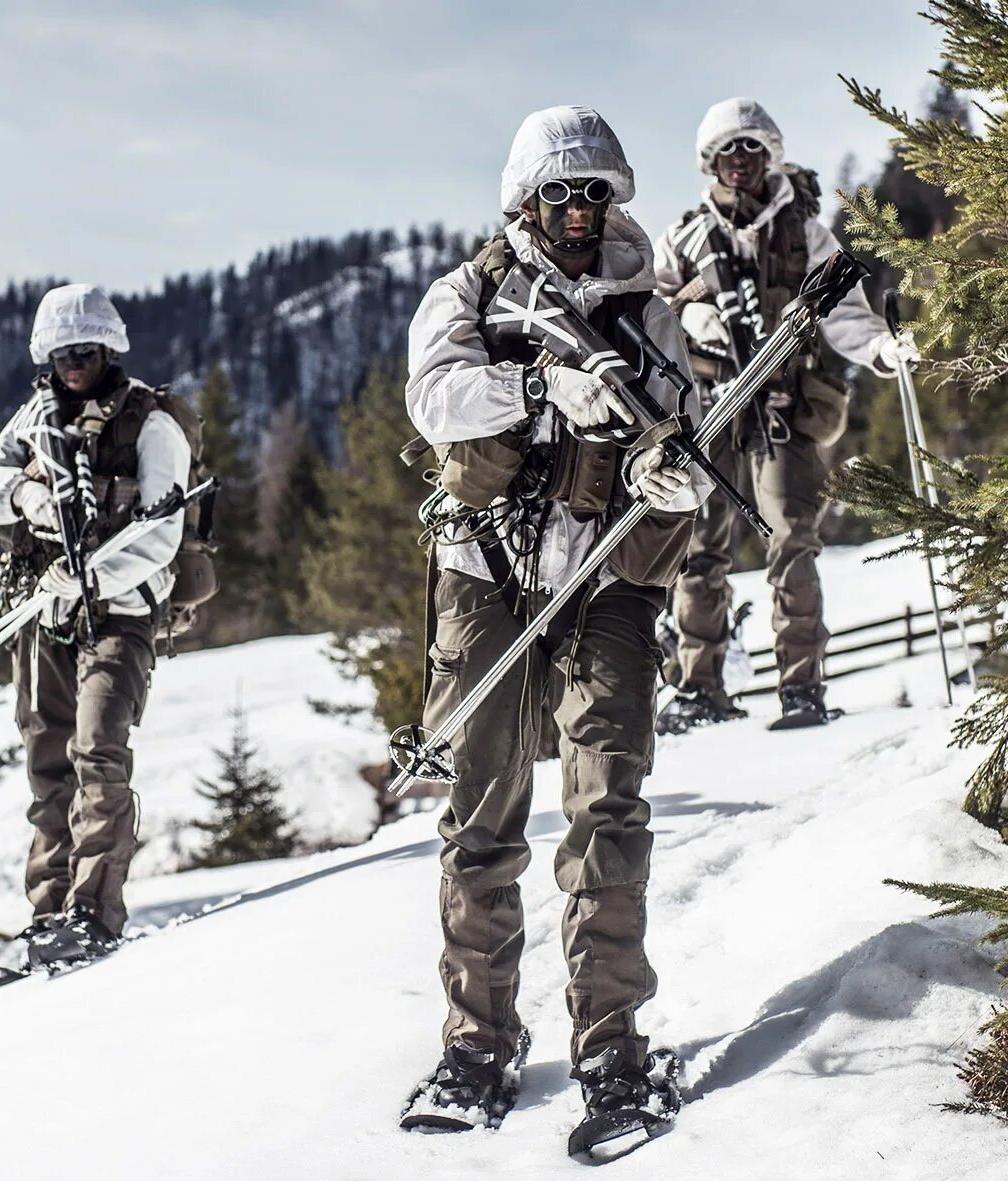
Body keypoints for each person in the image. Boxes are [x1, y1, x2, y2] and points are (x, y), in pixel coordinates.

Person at [399, 106, 700, 1137]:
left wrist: (667, 471)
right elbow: (433, 399)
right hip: (482, 580)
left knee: (605, 810)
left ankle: (610, 1042)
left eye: (593, 191)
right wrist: (538, 383)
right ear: (523, 197)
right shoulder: (468, 293)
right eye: (559, 192)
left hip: (604, 586)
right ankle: (475, 1043)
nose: (577, 211)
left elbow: (686, 421)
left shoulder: (644, 306)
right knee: (480, 823)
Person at [653, 97, 917, 733]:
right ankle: (697, 689)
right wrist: (686, 316)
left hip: (782, 407)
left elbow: (847, 315)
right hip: (705, 410)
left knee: (793, 538)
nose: (739, 161)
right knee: (698, 550)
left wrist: (882, 346)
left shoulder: (805, 234)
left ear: (769, 154)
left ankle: (802, 688)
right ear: (708, 161)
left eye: (751, 148)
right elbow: (648, 317)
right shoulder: (683, 238)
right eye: (727, 150)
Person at [0, 283, 190, 969]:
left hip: (121, 613)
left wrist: (87, 578)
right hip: (46, 615)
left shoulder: (151, 423)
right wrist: (23, 491)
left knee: (97, 752)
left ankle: (93, 910)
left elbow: (161, 534)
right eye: (62, 354)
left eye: (85, 350)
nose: (74, 365)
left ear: (109, 347)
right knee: (47, 760)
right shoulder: (36, 418)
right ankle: (48, 909)